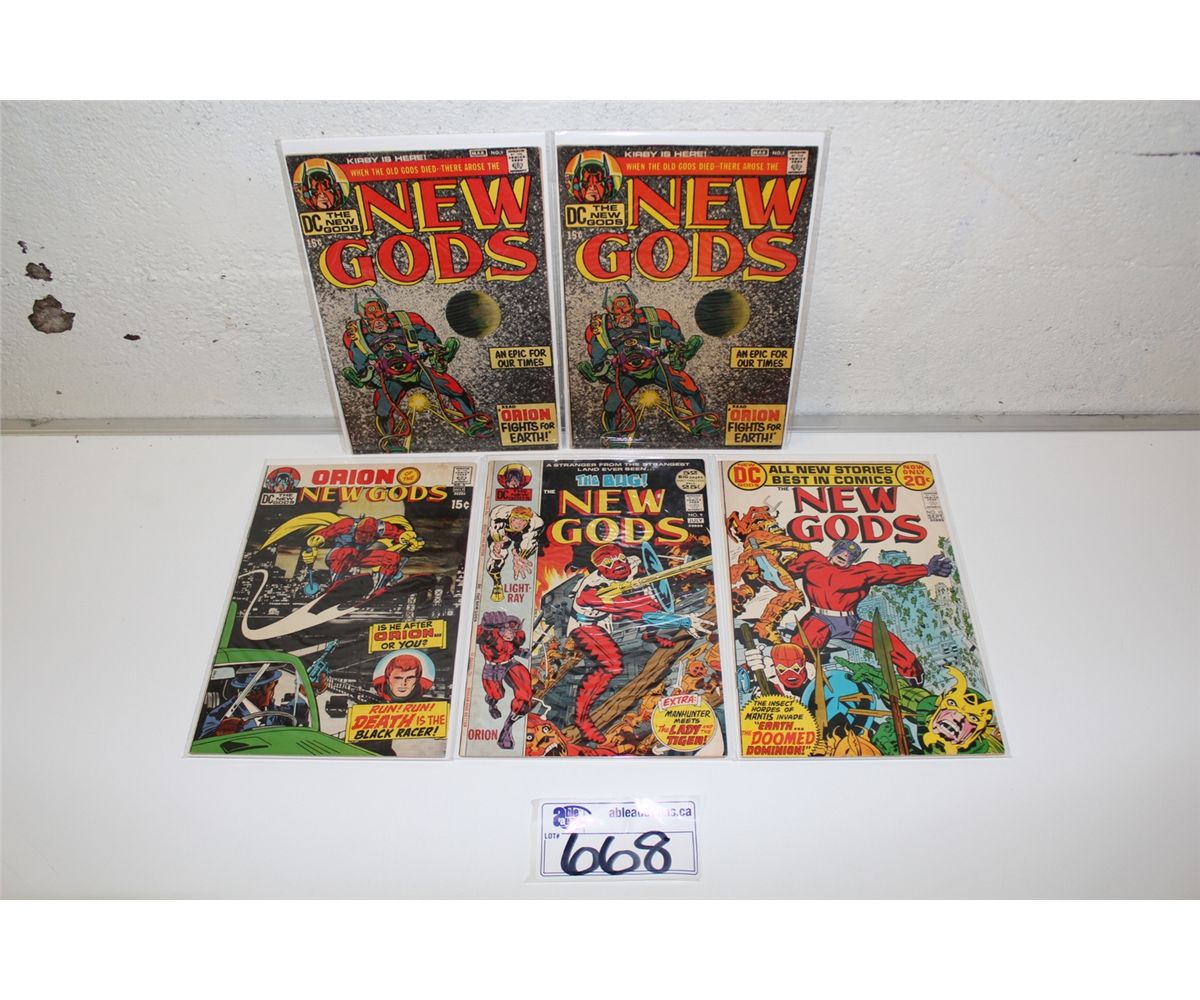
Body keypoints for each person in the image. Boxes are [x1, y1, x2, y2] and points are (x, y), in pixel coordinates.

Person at [567, 544, 710, 743]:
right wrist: (682, 621)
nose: (618, 564)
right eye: (608, 563)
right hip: (586, 624)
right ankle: (581, 719)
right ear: (600, 568)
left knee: (652, 602)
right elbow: (635, 610)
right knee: (612, 664)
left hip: (612, 613)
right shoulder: (591, 592)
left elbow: (655, 570)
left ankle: (650, 636)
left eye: (620, 559)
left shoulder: (632, 563)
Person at [780, 539, 954, 688]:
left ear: (854, 560)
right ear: (833, 550)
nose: (845, 555)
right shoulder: (812, 560)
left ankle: (915, 685)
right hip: (819, 620)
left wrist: (926, 569)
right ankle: (796, 688)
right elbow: (782, 574)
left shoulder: (862, 572)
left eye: (851, 555)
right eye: (842, 550)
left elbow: (894, 574)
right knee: (794, 653)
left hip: (850, 623)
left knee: (895, 647)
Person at [342, 296, 491, 452]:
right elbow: (359, 364)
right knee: (382, 410)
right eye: (371, 319)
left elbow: (431, 340)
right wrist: (367, 377)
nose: (377, 322)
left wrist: (438, 353)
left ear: (385, 312)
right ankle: (390, 441)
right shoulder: (355, 335)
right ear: (363, 318)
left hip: (416, 369)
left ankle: (472, 423)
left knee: (455, 390)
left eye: (380, 316)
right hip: (391, 379)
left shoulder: (406, 320)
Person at [578, 286, 718, 442]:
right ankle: (613, 436)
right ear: (609, 313)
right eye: (617, 314)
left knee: (689, 387)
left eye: (627, 312)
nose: (623, 317)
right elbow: (597, 360)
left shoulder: (654, 317)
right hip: (626, 374)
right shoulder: (600, 329)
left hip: (655, 366)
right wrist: (601, 372)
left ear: (634, 307)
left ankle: (700, 424)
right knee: (610, 405)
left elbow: (676, 338)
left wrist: (680, 352)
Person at [199, 666, 311, 738]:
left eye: (270, 685)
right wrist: (219, 734)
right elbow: (205, 741)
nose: (268, 692)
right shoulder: (220, 715)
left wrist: (302, 693)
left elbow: (293, 714)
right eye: (256, 689)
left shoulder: (273, 711)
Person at [476, 612, 531, 750]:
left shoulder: (518, 635)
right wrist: (485, 625)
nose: (510, 633)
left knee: (525, 693)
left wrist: (521, 652)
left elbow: (512, 647)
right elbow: (477, 634)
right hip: (493, 667)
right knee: (497, 694)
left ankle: (507, 728)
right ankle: (492, 703)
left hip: (510, 663)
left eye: (513, 630)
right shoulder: (490, 636)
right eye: (507, 630)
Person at [485, 504, 542, 602]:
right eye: (516, 519)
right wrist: (497, 544)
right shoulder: (499, 515)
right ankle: (497, 582)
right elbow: (495, 533)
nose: (519, 523)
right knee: (497, 555)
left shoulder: (535, 524)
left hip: (521, 536)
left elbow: (529, 542)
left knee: (524, 549)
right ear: (510, 518)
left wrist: (521, 556)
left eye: (523, 520)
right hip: (503, 533)